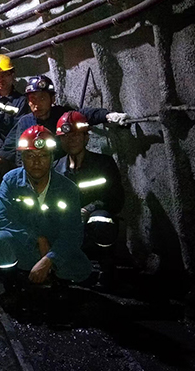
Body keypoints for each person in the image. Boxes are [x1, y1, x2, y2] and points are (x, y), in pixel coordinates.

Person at [0, 125, 92, 292]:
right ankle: (12, 283)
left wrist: (50, 259)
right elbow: (2, 219)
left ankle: (53, 279)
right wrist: (37, 239)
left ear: (52, 157)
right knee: (0, 240)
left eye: (43, 155)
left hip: (55, 246)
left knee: (81, 268)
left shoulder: (67, 188)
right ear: (22, 158)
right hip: (25, 244)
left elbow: (72, 232)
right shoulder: (10, 181)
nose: (37, 162)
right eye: (30, 156)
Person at [53, 111, 125, 287]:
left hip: (92, 222)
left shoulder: (104, 164)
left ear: (86, 137)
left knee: (102, 220)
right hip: (67, 223)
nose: (71, 140)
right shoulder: (55, 169)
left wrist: (87, 209)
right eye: (66, 136)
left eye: (76, 135)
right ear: (60, 140)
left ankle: (106, 267)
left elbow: (116, 199)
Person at [0, 75, 128, 169]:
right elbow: (11, 151)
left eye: (42, 98)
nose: (36, 104)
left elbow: (84, 114)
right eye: (32, 99)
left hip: (62, 172)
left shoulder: (61, 115)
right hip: (35, 173)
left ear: (52, 99)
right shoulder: (24, 123)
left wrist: (107, 116)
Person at [0, 55, 29, 156]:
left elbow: (16, 133)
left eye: (4, 75)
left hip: (5, 154)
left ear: (12, 75)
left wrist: (2, 155)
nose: (0, 79)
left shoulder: (20, 102)